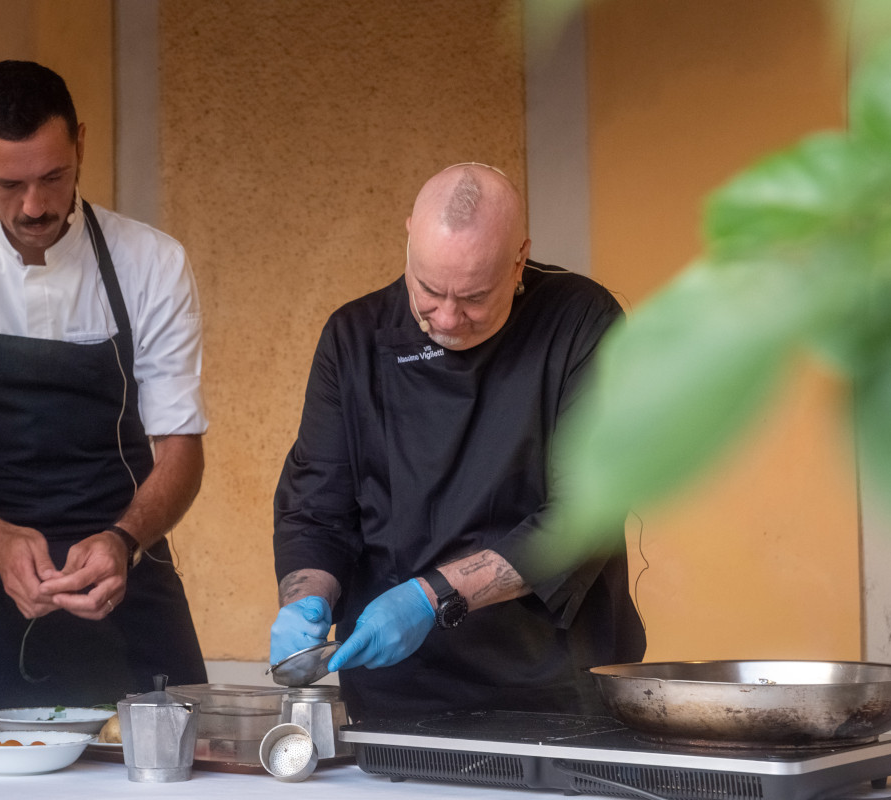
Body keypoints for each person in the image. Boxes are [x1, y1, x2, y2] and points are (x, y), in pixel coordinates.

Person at [0, 61, 207, 736]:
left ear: (79, 142)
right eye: (8, 183)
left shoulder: (153, 262)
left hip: (128, 583)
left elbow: (181, 451)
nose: (35, 205)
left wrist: (122, 539)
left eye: (53, 176)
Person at [270, 163, 646, 721]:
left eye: (474, 297)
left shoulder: (580, 323)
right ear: (407, 239)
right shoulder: (353, 338)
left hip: (551, 692)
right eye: (427, 289)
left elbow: (583, 515)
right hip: (394, 694)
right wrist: (305, 600)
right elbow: (318, 509)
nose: (447, 317)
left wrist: (431, 597)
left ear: (520, 259)